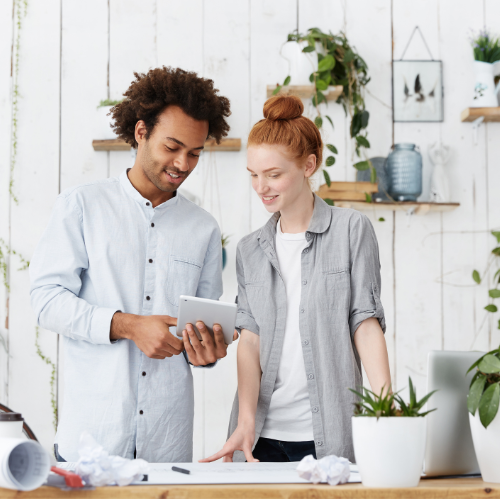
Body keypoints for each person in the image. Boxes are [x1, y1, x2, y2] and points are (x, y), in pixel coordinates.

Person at [29, 67, 236, 463]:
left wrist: (207, 351)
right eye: (172, 147)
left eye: (194, 152)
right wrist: (128, 325)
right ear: (141, 132)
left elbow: (202, 332)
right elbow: (45, 300)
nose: (183, 163)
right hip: (91, 438)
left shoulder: (204, 228)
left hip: (167, 443)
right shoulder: (82, 206)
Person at [202, 95, 391, 464]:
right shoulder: (249, 250)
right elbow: (250, 342)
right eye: (254, 175)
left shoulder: (352, 230)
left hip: (330, 434)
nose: (261, 187)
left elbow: (365, 323)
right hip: (260, 438)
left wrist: (389, 414)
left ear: (309, 164)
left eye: (274, 175)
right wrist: (244, 421)